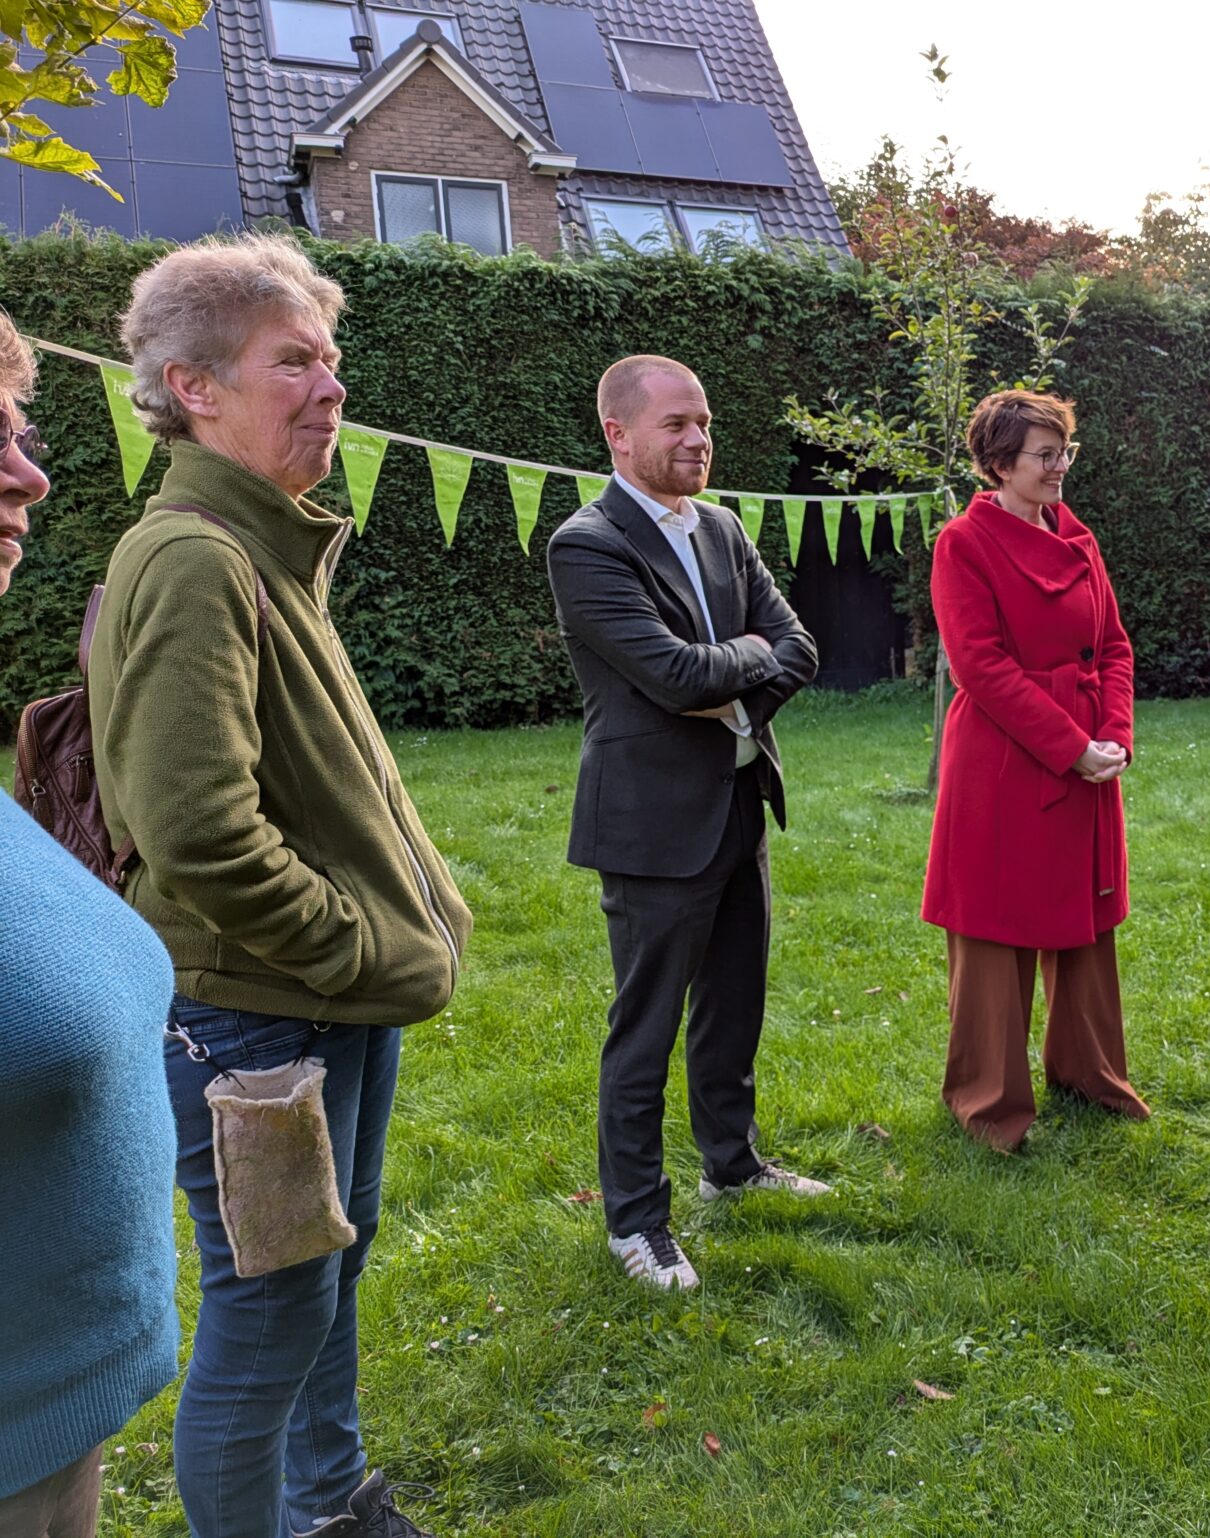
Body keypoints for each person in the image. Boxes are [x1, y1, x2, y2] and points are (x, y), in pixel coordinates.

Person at [89, 235, 473, 1538]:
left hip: (319, 1003)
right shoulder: (198, 556)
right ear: (193, 387)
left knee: (326, 1271)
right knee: (266, 1316)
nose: (331, 387)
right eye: (293, 361)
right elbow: (195, 831)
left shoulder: (267, 546)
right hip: (255, 1018)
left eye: (333, 359)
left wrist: (361, 957)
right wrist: (355, 944)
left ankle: (330, 1499)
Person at [546, 355, 824, 1294]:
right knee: (647, 1024)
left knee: (734, 1003)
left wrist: (734, 684)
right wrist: (740, 661)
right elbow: (669, 676)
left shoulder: (725, 528)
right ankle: (635, 1222)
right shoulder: (587, 544)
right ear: (618, 435)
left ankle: (732, 1165)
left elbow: (801, 647)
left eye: (703, 422)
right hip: (651, 823)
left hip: (739, 801)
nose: (698, 440)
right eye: (675, 425)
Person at [0, 315, 179, 1538]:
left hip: (57, 1429)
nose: (30, 473)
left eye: (20, 431)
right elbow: (199, 812)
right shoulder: (194, 558)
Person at [922, 389, 1150, 1151]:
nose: (1059, 468)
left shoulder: (1078, 537)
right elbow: (979, 668)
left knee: (1086, 922)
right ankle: (988, 1104)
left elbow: (1113, 645)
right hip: (1004, 762)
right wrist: (1068, 745)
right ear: (999, 464)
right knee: (994, 929)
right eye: (1045, 456)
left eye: (1064, 453)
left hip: (1088, 754)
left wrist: (1111, 735)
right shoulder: (964, 543)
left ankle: (1090, 1076)